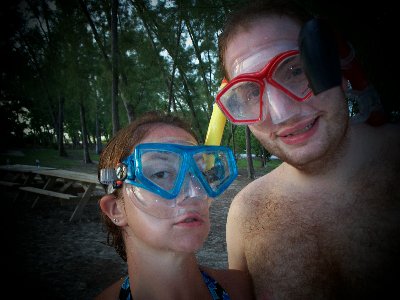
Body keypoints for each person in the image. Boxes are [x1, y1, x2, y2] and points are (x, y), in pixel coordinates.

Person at [216, 1, 400, 299]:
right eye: (251, 91)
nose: (282, 113)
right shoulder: (245, 214)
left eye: (295, 70)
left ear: (338, 67)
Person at [94, 111, 255, 300]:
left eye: (201, 174)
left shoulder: (245, 291)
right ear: (116, 209)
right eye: (161, 173)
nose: (195, 192)